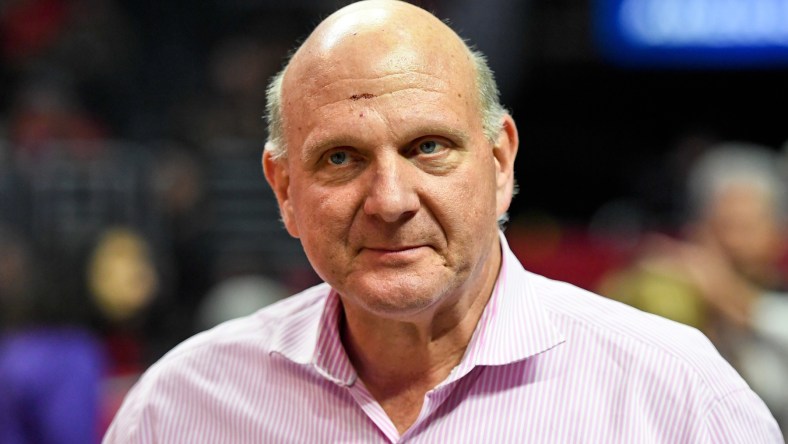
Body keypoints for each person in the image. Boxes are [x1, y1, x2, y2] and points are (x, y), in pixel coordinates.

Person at [103, 1, 782, 442]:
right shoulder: (180, 410)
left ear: (500, 163)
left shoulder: (674, 397)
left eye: (429, 148)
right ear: (284, 190)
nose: (391, 200)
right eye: (341, 158)